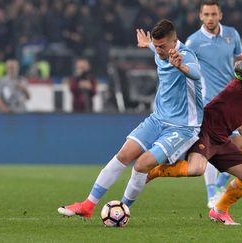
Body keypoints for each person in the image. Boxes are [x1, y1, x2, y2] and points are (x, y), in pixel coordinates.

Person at [57, 19, 203, 218]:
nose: (159, 50)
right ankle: (87, 205)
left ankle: (122, 210)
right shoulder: (159, 49)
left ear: (175, 40)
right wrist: (147, 45)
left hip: (182, 127)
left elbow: (195, 72)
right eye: (156, 46)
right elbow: (155, 47)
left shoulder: (185, 55)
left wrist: (182, 67)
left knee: (141, 164)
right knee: (123, 155)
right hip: (158, 119)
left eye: (162, 46)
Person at [122, 60, 242, 225]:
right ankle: (157, 171)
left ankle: (219, 211)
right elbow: (238, 66)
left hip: (222, 139)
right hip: (205, 128)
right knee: (196, 169)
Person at [185, 0, 242, 208]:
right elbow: (184, 70)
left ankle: (220, 184)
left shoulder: (232, 34)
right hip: (208, 104)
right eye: (207, 14)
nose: (210, 18)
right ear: (200, 17)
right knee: (211, 149)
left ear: (220, 15)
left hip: (232, 101)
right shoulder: (193, 42)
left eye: (214, 14)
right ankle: (212, 194)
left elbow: (240, 60)